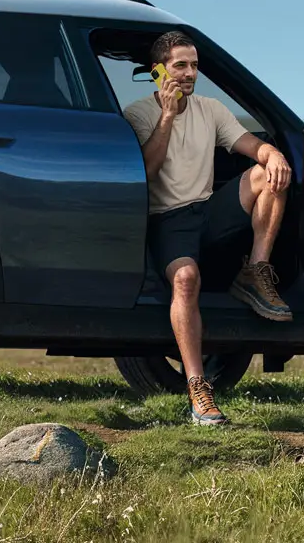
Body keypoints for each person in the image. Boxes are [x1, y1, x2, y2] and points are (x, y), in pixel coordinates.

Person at [123, 30, 294, 425]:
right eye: (180, 65)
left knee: (266, 174)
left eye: (194, 66)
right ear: (158, 72)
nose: (189, 74)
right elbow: (145, 172)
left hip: (208, 212)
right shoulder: (139, 114)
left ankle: (256, 272)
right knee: (185, 279)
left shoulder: (211, 109)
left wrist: (275, 155)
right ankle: (198, 389)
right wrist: (167, 116)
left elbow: (253, 146)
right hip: (167, 220)